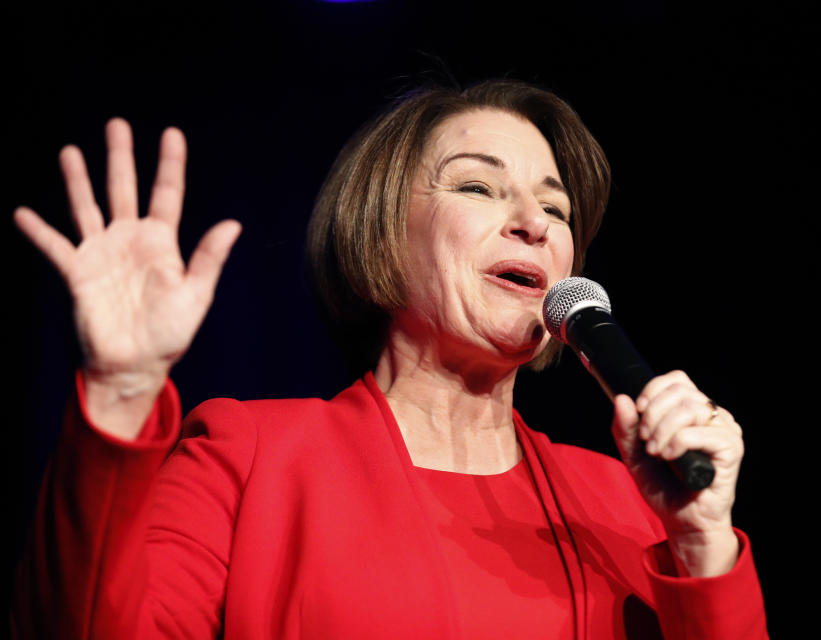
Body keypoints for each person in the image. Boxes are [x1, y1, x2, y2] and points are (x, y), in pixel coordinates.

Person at [12, 80, 767, 638]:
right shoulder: (252, 460)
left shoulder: (629, 502)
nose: (536, 224)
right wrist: (121, 392)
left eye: (557, 208)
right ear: (381, 233)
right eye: (479, 186)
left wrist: (702, 547)